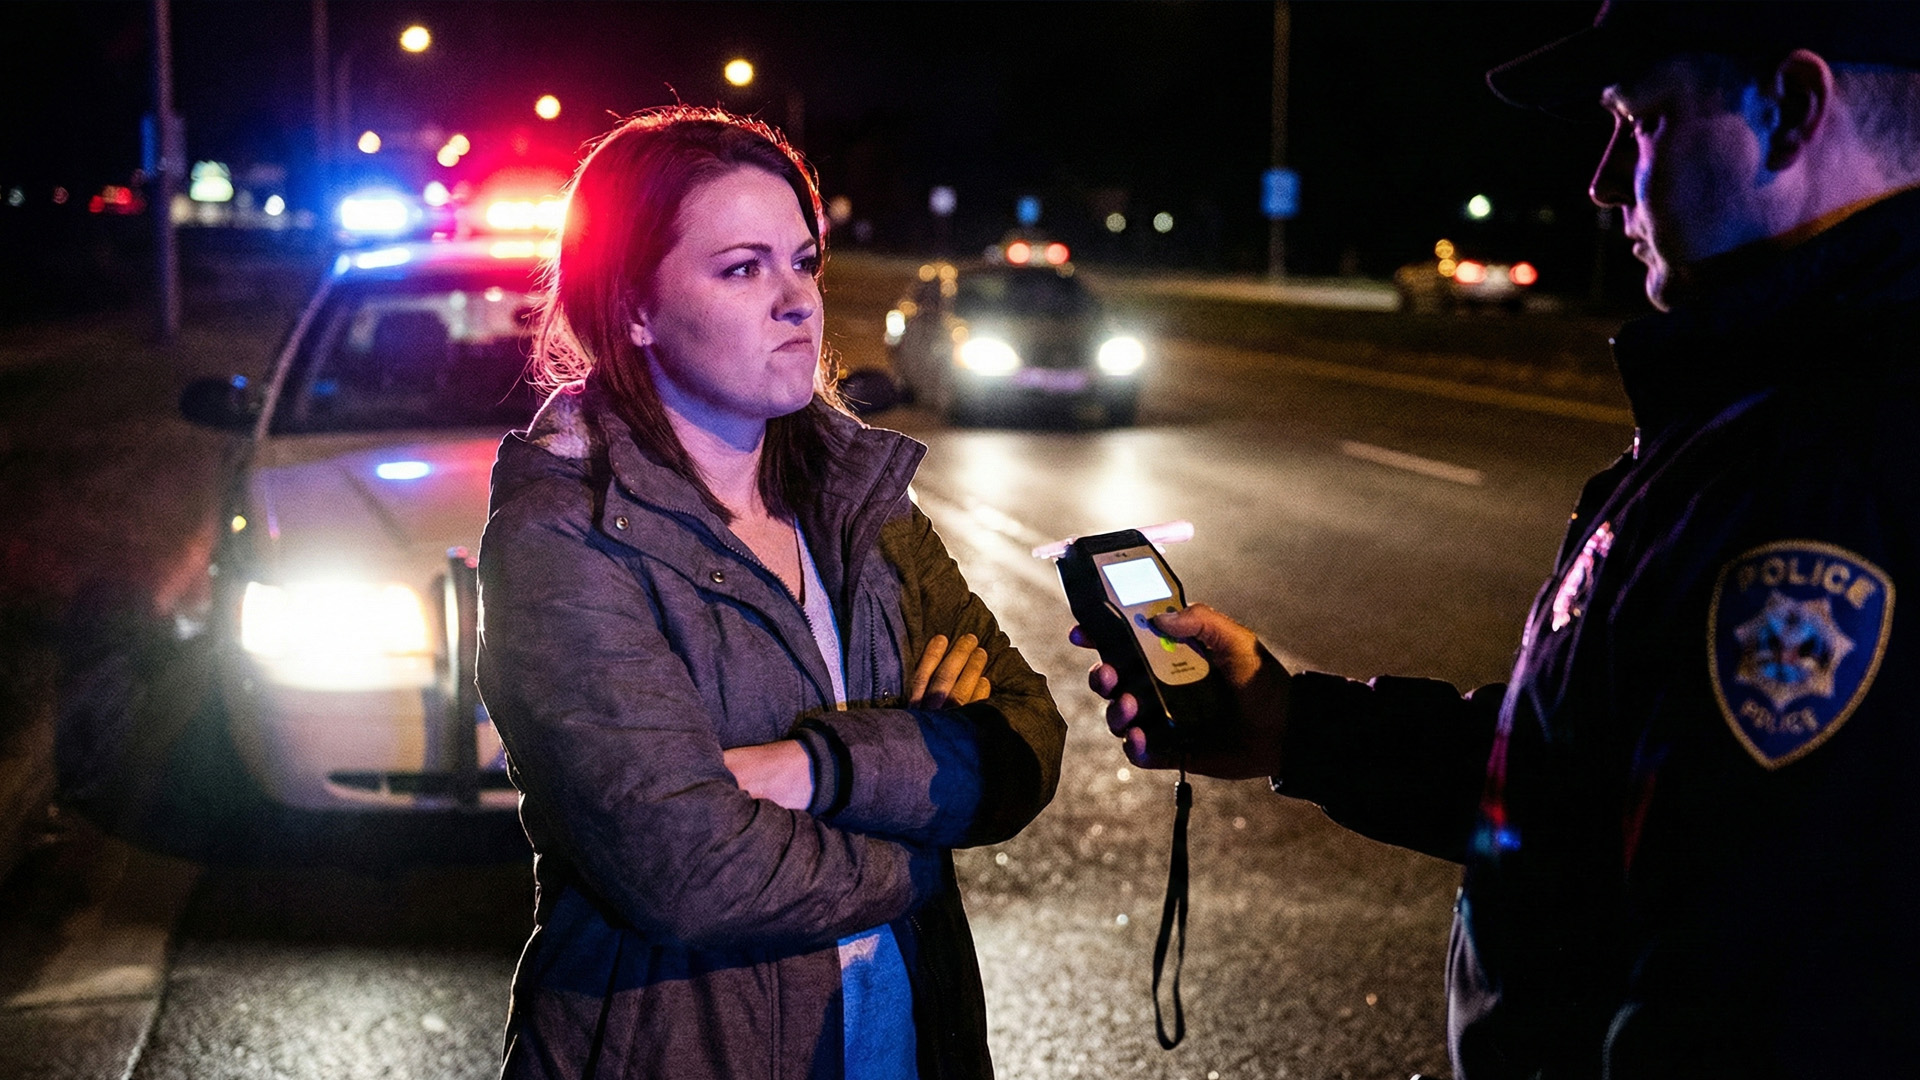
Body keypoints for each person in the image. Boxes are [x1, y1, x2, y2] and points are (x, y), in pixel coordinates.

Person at [1078, 3, 1920, 1077]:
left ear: (1793, 112)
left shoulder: (1839, 468)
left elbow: (1770, 1005)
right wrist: (1298, 726)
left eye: (1645, 120)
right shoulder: (1755, 408)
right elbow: (1589, 790)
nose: (1605, 180)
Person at [477, 106, 1065, 1079]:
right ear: (633, 305)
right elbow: (689, 869)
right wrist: (922, 840)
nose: (797, 301)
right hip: (677, 1046)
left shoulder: (855, 495)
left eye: (803, 261)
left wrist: (812, 771)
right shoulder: (570, 530)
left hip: (903, 1030)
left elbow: (1025, 734)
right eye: (743, 268)